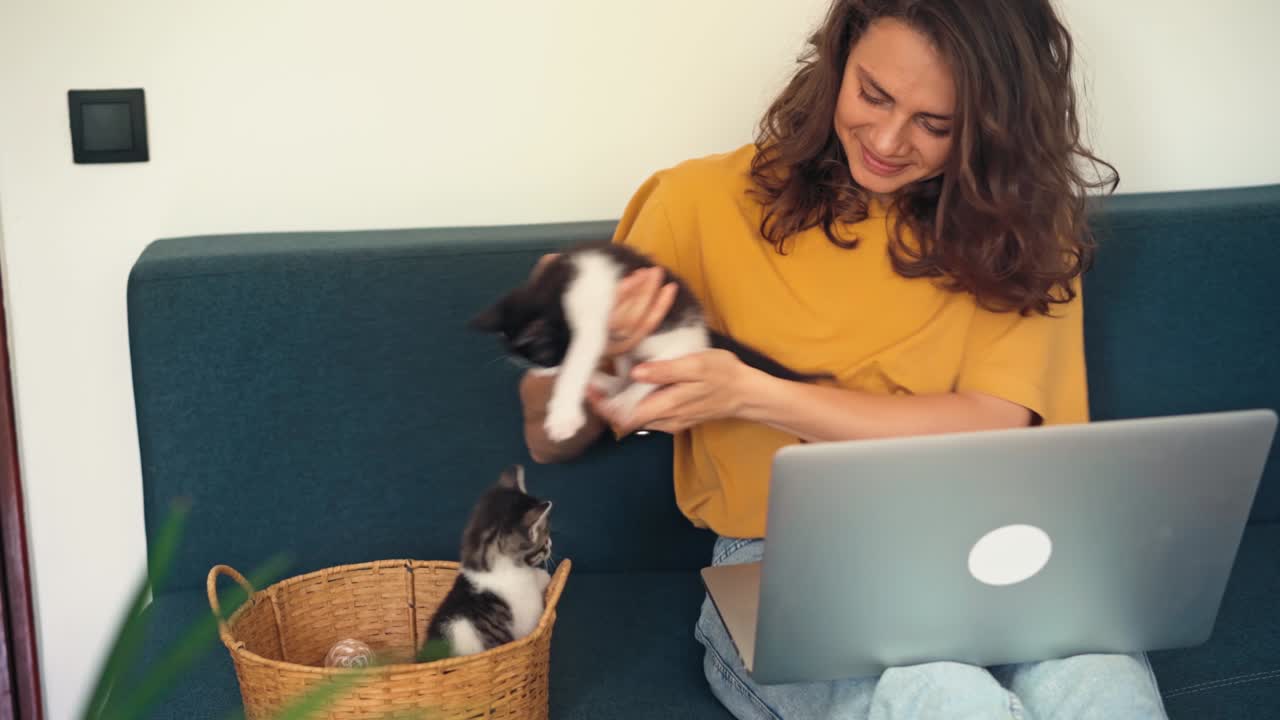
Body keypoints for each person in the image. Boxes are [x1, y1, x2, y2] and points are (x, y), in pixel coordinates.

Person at [518, 0, 1169, 717]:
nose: (888, 138)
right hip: (786, 565)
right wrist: (572, 347)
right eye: (873, 94)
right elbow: (557, 436)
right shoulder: (696, 203)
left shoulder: (1022, 234)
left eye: (936, 124)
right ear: (838, 60)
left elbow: (992, 423)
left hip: (991, 543)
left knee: (1103, 689)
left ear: (993, 127)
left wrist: (754, 394)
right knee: (941, 696)